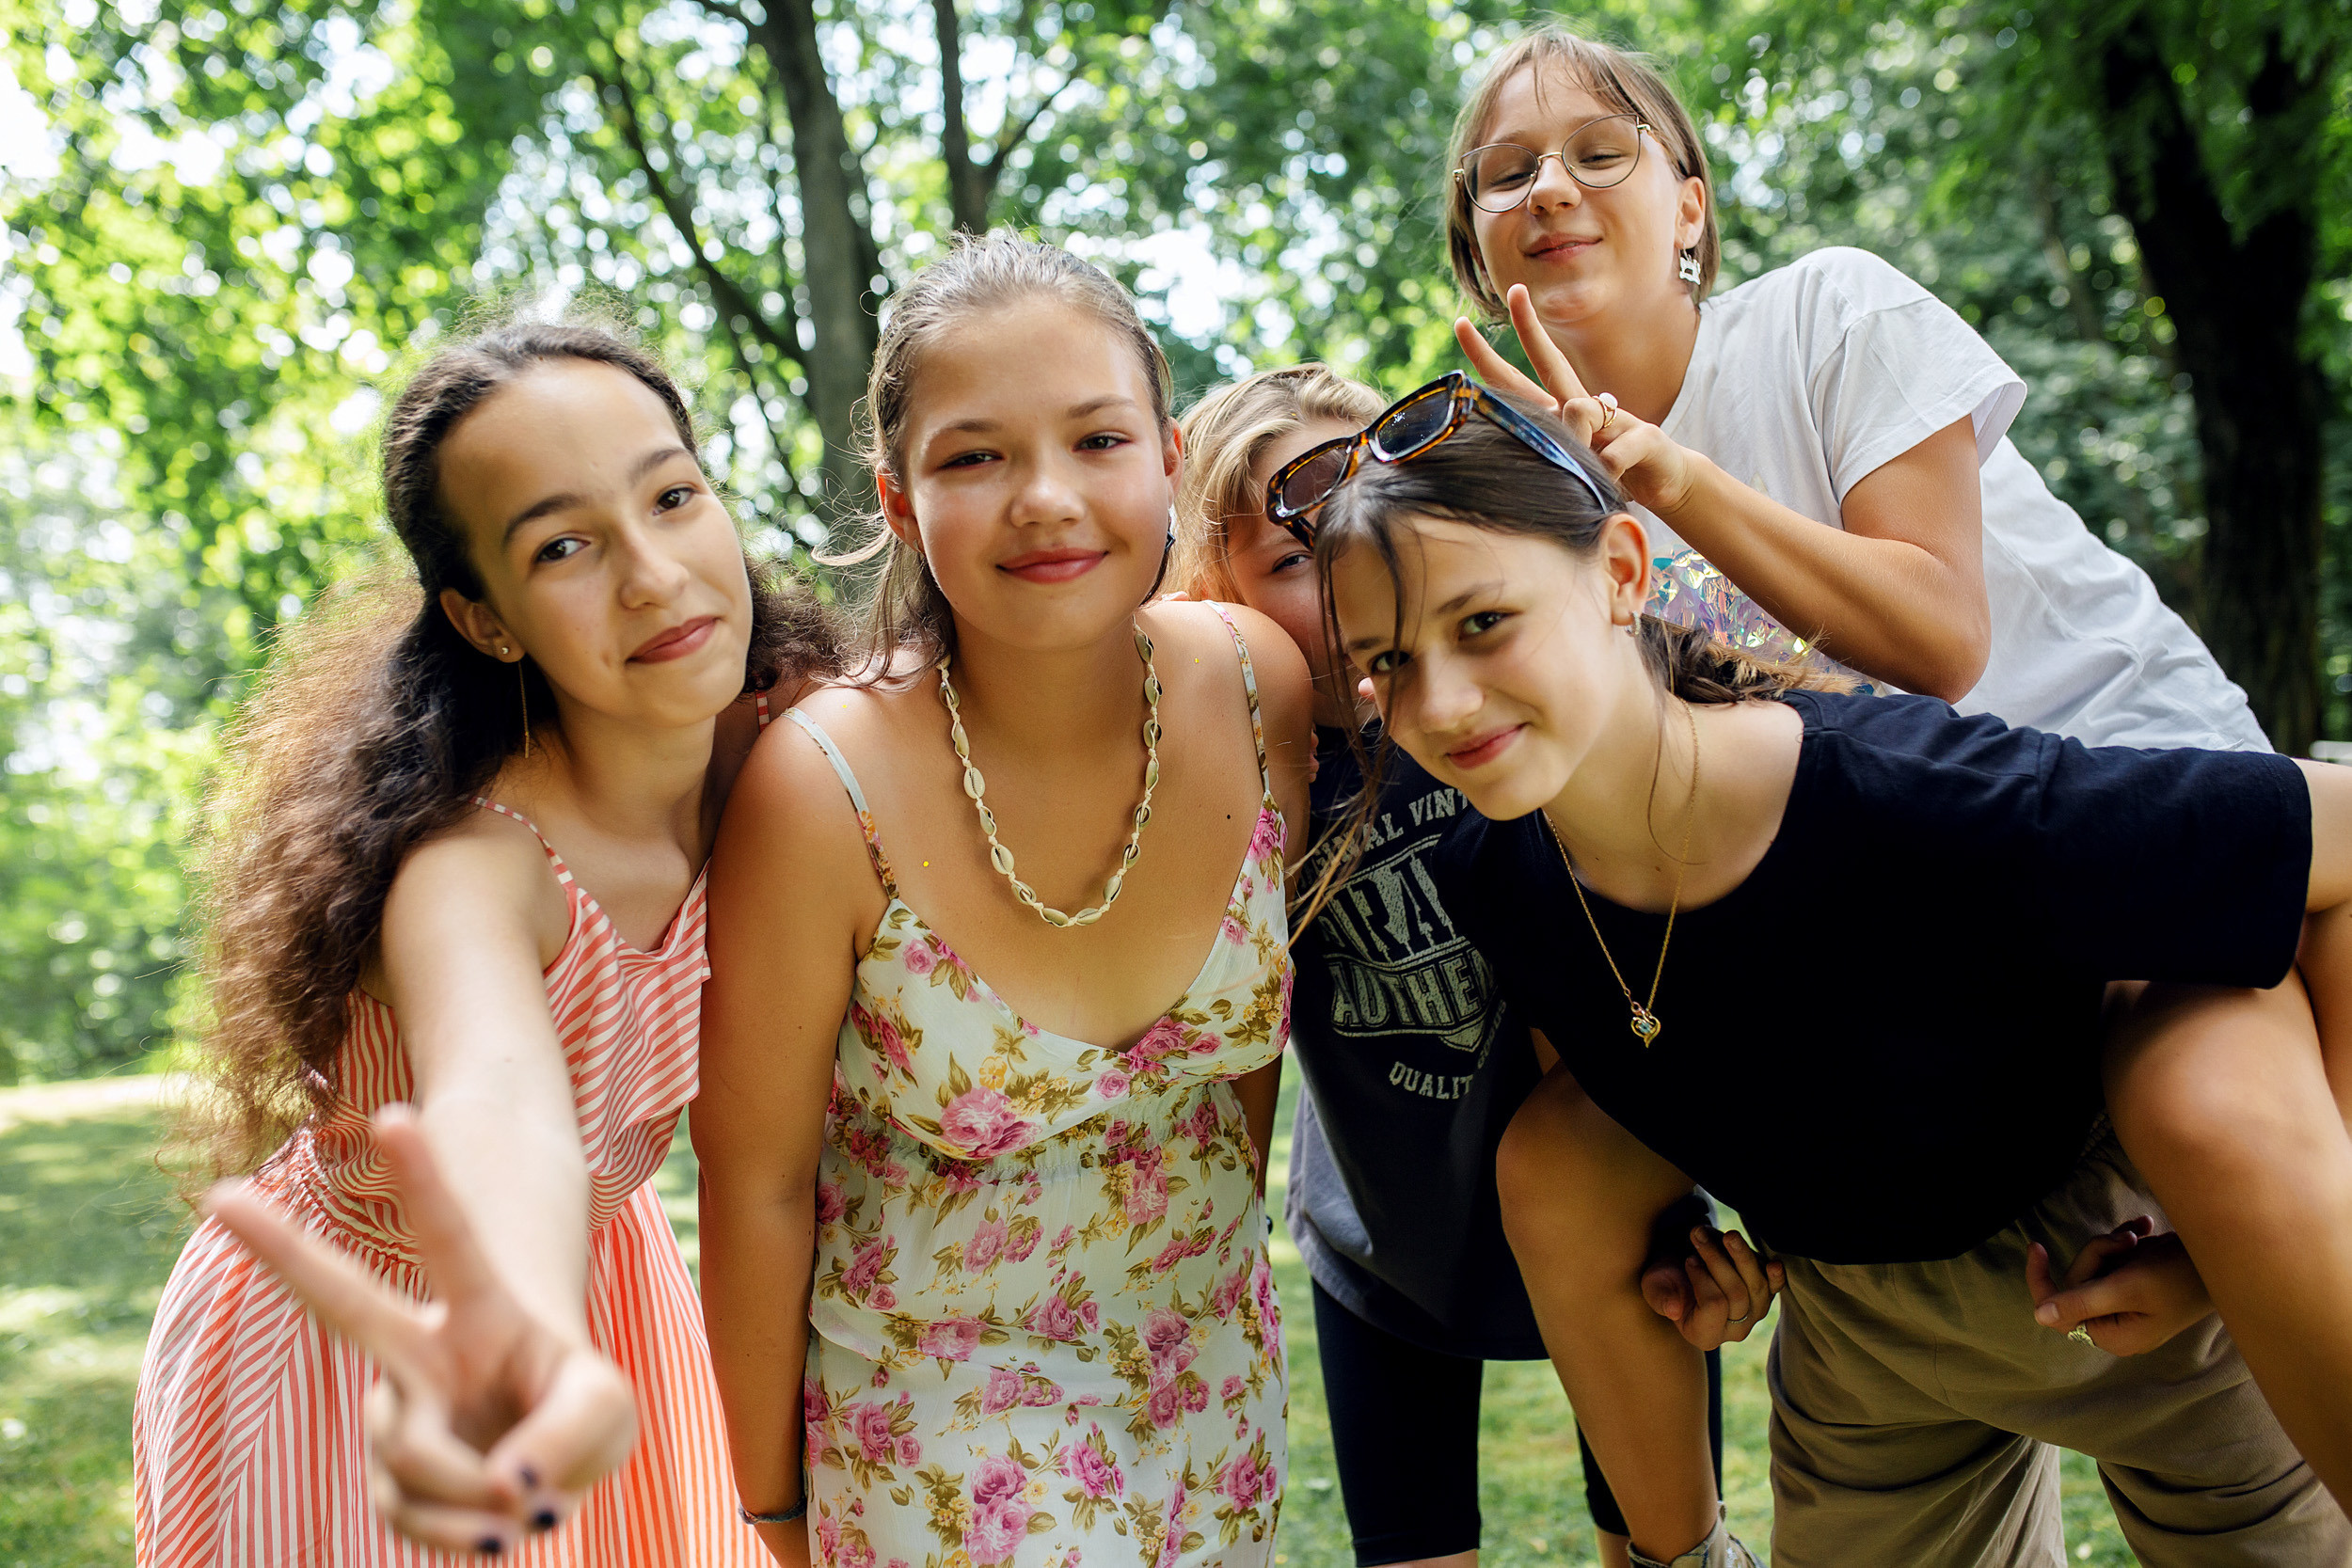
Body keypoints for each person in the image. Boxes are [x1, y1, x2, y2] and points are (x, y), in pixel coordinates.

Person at [1305, 377, 2352, 1566]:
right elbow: (1646, 1077)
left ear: (1621, 573)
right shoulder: (1490, 875)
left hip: (2109, 1278)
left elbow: (2343, 845)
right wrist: (1695, 1259)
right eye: (1390, 658)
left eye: (1484, 622)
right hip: (1863, 1342)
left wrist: (2240, 1241)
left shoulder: (1921, 796)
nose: (1438, 702)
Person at [134, 317, 840, 1564]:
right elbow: (498, 1093)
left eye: (674, 495)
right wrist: (525, 1327)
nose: (654, 573)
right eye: (563, 543)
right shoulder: (473, 861)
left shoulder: (787, 761)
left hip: (613, 1299)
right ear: (487, 617)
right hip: (389, 1348)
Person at [694, 232, 1311, 1568]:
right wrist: (769, 1516)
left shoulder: (1265, 687)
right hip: (937, 1437)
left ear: (1168, 454)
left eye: (1096, 439)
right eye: (975, 456)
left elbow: (1240, 1091)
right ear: (901, 502)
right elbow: (756, 1184)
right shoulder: (820, 791)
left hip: (1216, 1396)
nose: (1046, 497)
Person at [1171, 365, 1723, 1568]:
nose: (1345, 566)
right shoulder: (1242, 784)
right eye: (1288, 556)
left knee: (1666, 1542)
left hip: (1608, 1223)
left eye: (1373, 509)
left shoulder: (1508, 715)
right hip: (1382, 1249)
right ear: (1218, 595)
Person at [1440, 26, 2265, 751]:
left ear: (1690, 210)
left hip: (2144, 757)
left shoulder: (1829, 312)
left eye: (1601, 152)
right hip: (1933, 865)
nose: (1548, 189)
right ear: (1477, 245)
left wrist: (1679, 483)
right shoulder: (1523, 497)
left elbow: (1942, 640)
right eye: (1507, 173)